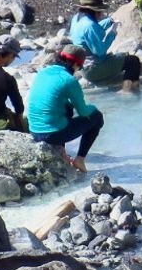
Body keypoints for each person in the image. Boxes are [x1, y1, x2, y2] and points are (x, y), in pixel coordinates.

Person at [27, 44, 104, 173]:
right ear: (75, 64)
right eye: (79, 67)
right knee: (97, 117)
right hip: (51, 135)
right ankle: (80, 159)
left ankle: (62, 152)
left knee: (65, 108)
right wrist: (94, 107)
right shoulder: (69, 80)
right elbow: (84, 112)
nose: (78, 70)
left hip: (34, 131)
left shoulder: (43, 72)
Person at [69, 0, 142, 93]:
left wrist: (109, 21)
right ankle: (128, 91)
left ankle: (132, 88)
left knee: (122, 56)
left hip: (82, 66)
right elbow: (100, 51)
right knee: (133, 61)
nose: (101, 12)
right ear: (95, 10)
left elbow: (95, 29)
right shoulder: (90, 25)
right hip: (93, 69)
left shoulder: (77, 18)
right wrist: (113, 33)